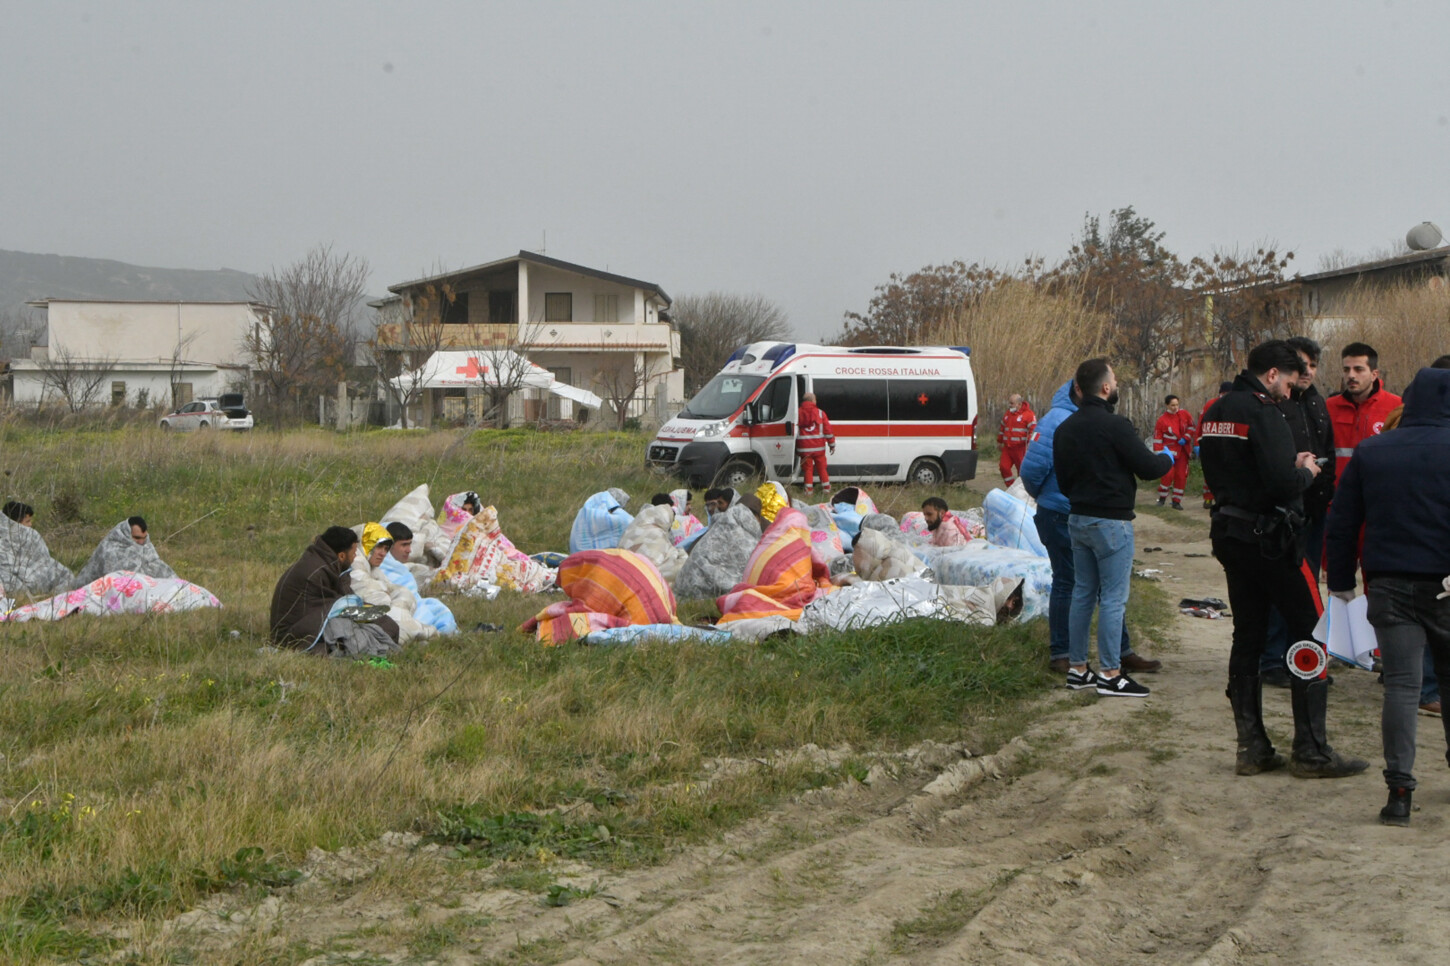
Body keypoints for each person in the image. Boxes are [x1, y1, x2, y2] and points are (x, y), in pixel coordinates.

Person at [1199, 340, 1367, 779]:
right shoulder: (1263, 410)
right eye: (1289, 382)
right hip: (1271, 538)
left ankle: (1251, 746)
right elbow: (1280, 482)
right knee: (1312, 629)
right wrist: (1305, 471)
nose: (1292, 391)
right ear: (1272, 374)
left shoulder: (1215, 411)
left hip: (1230, 532)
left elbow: (1231, 469)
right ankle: (1311, 750)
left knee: (1248, 633)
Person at [1326, 365, 1450, 824]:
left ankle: (1399, 791)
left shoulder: (1373, 451)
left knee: (1401, 686)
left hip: (1389, 583)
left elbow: (1342, 521)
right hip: (1446, 583)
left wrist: (1339, 582)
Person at [1021, 378, 1162, 675]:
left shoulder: (1078, 420)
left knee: (1090, 589)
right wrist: (1052, 498)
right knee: (1078, 586)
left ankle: (1090, 660)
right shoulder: (1058, 421)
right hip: (1066, 512)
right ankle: (1085, 659)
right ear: (1086, 389)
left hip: (1074, 511)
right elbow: (1031, 471)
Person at [1053, 358, 1172, 697]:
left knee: (1083, 593)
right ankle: (1110, 673)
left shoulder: (1065, 428)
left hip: (1077, 518)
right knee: (1113, 599)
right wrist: (1169, 458)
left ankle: (1078, 668)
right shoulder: (1116, 425)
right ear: (1105, 387)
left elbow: (1062, 481)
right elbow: (1148, 467)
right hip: (1111, 521)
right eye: (1115, 380)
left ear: (1078, 388)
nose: (1116, 385)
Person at [1260, 337, 1337, 689]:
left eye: (1313, 365)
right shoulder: (1276, 403)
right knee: (1282, 588)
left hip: (1316, 510)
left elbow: (1328, 451)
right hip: (1285, 513)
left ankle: (1303, 657)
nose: (1307, 372)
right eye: (1302, 364)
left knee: (1308, 592)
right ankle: (1272, 659)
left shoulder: (1319, 403)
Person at [270, 526, 399, 653]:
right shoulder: (318, 571)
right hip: (291, 634)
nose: (355, 557)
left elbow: (343, 598)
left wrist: (374, 615)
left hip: (310, 619)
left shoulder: (326, 562)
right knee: (354, 636)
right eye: (354, 553)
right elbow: (339, 606)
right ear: (342, 556)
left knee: (386, 625)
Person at [1326, 341, 1401, 479]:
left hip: (1379, 492)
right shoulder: (1328, 407)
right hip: (1338, 494)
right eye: (1346, 369)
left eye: (1358, 369)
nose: (1351, 375)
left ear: (1374, 374)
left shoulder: (1397, 407)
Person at [1152, 395, 1195, 509]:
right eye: (1172, 405)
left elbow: (1191, 427)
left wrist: (1186, 437)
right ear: (1167, 405)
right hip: (1168, 453)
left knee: (1181, 476)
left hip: (1182, 451)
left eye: (1177, 404)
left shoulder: (1185, 414)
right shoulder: (1162, 420)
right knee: (1167, 475)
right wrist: (1159, 454)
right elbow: (1157, 438)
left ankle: (1176, 501)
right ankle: (1162, 498)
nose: (1175, 407)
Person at [1195, 382, 1233, 508]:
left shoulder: (1234, 406)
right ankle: (1208, 499)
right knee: (1211, 473)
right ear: (1220, 393)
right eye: (1224, 393)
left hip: (1227, 445)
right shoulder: (1210, 405)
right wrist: (1197, 443)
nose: (1226, 395)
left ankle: (1223, 499)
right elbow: (1200, 423)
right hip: (1211, 444)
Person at [796, 392, 835, 497]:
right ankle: (827, 490)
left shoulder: (797, 413)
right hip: (819, 449)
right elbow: (828, 430)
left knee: (808, 470)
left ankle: (808, 492)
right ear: (813, 400)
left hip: (804, 448)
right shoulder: (821, 413)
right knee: (822, 468)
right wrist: (832, 444)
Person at [996, 393, 1037, 487]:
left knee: (1021, 472)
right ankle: (1011, 487)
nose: (1009, 405)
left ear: (1019, 404)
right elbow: (1002, 429)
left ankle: (1022, 491)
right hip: (1007, 448)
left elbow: (1033, 431)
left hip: (1020, 448)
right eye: (1009, 403)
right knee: (1003, 467)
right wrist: (999, 441)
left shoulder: (1029, 415)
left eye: (1012, 403)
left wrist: (1030, 444)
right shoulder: (1008, 414)